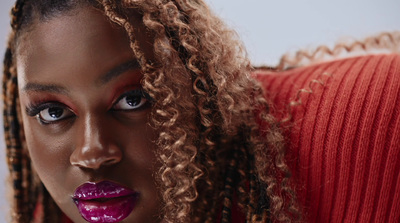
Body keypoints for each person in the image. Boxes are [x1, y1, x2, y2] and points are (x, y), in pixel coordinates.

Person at [3, 1, 400, 223]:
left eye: (134, 99)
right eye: (53, 112)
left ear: (202, 85)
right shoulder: (65, 210)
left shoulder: (371, 122)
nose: (91, 154)